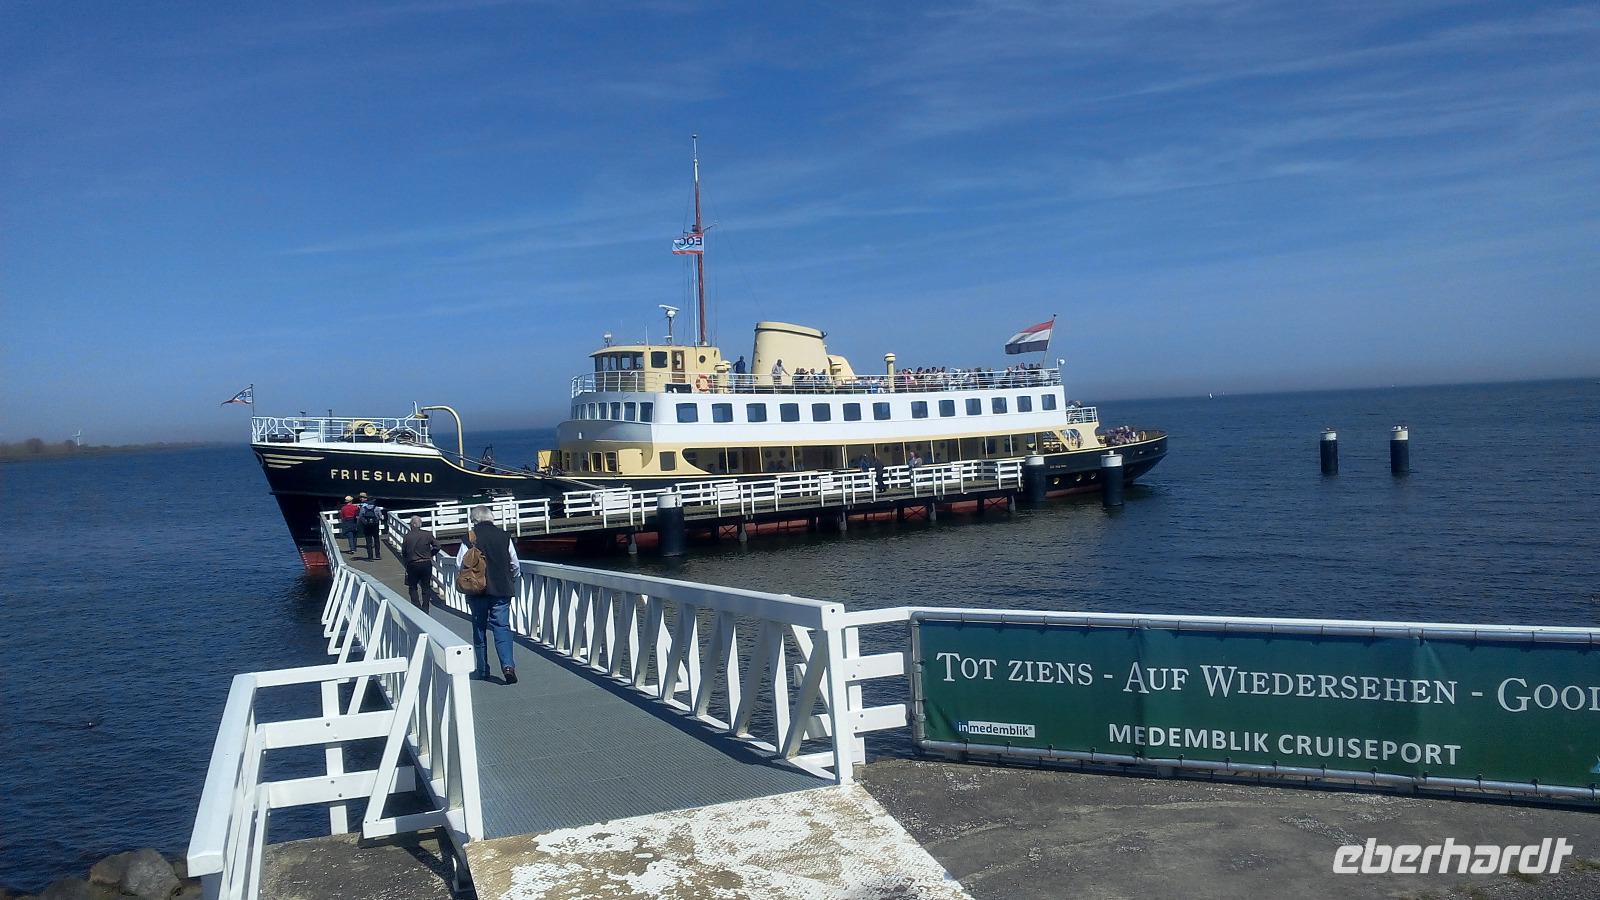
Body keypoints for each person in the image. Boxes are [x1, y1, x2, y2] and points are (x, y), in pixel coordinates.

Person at [457, 506, 520, 684]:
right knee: (502, 627)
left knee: (479, 628)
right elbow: (515, 564)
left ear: (474, 520)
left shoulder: (470, 537)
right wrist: (512, 578)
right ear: (492, 518)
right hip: (501, 589)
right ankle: (508, 666)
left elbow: (459, 564)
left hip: (477, 591)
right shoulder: (504, 536)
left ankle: (483, 669)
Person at [401, 515, 441, 611]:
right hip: (426, 563)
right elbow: (438, 546)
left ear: (413, 525)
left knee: (413, 586)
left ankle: (417, 607)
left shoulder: (407, 536)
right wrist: (431, 554)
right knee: (426, 586)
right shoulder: (427, 534)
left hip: (413, 564)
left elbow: (404, 552)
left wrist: (407, 562)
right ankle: (425, 607)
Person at [357, 494, 383, 560]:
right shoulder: (377, 508)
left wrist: (364, 522)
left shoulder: (363, 508)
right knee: (376, 540)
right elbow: (380, 517)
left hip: (367, 526)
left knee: (368, 541)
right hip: (375, 526)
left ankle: (370, 556)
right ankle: (377, 555)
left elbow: (360, 517)